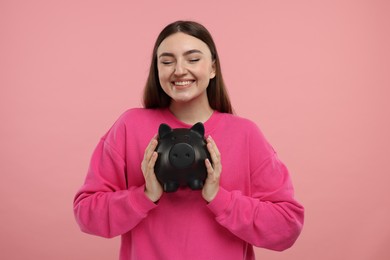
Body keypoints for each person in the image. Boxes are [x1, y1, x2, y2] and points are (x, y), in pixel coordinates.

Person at [73, 20, 304, 260]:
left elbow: (287, 227)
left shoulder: (245, 134)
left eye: (193, 59)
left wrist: (219, 197)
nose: (179, 70)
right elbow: (86, 214)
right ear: (157, 70)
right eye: (167, 61)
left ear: (213, 68)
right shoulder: (129, 127)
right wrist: (145, 195)